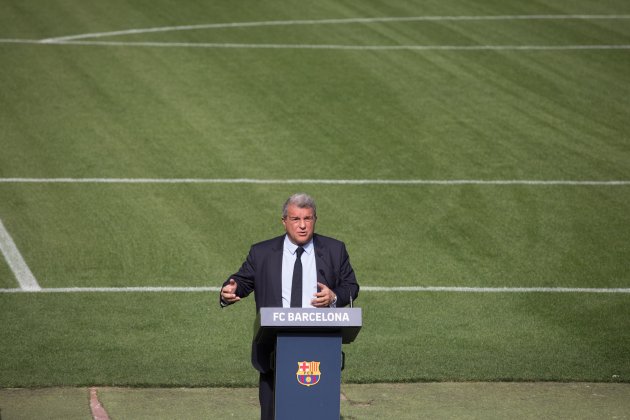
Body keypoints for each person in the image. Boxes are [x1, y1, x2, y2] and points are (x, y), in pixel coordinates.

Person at [220, 192, 359, 420]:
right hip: (274, 348)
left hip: (319, 346)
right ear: (284, 221)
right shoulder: (262, 252)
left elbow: (351, 286)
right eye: (296, 219)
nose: (303, 226)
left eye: (308, 218)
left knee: (317, 411)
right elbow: (242, 280)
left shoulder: (335, 250)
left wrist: (334, 296)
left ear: (315, 219)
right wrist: (229, 290)